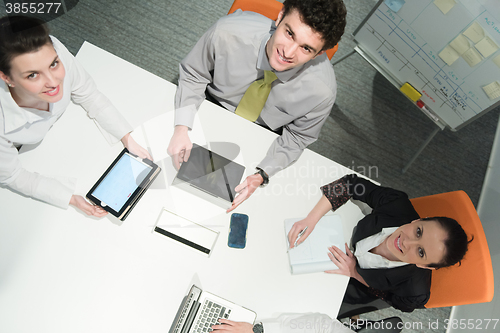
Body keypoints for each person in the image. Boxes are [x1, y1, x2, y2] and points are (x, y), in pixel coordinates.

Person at [167, 0, 347, 213]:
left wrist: (263, 174)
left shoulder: (322, 91)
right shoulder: (227, 32)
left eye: (306, 48)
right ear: (279, 17)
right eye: (290, 33)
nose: (288, 53)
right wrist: (181, 128)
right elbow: (194, 75)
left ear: (318, 54)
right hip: (208, 104)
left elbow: (298, 138)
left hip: (262, 136)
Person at [0, 15, 151, 217]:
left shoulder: (55, 51)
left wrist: (127, 137)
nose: (53, 82)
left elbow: (87, 93)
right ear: (7, 78)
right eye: (33, 75)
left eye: (53, 64)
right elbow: (12, 176)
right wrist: (69, 197)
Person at [287, 174, 470, 317]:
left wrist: (355, 273)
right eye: (418, 232)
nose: (406, 242)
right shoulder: (397, 204)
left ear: (424, 265)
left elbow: (398, 303)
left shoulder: (414, 291)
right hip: (338, 238)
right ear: (420, 219)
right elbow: (351, 184)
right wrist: (312, 218)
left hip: (352, 288)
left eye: (421, 252)